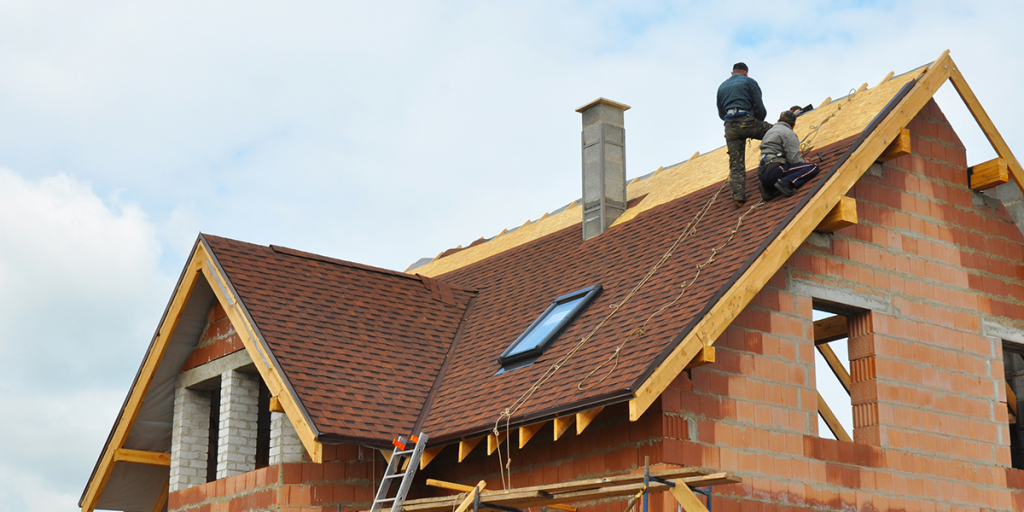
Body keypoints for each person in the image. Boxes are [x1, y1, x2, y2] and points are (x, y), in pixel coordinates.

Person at [717, 62, 772, 206]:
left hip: (730, 126)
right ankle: (778, 165)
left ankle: (738, 197)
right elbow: (759, 106)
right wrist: (757, 122)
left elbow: (721, 113)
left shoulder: (722, 87)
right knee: (775, 132)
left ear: (732, 73)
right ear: (746, 73)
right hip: (746, 121)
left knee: (736, 163)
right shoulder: (749, 82)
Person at [757, 110, 821, 201]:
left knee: (785, 169)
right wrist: (804, 161)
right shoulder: (789, 134)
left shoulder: (769, 132)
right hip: (776, 169)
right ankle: (786, 183)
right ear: (793, 125)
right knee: (813, 167)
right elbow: (793, 160)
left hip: (762, 172)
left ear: (778, 121)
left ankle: (769, 189)